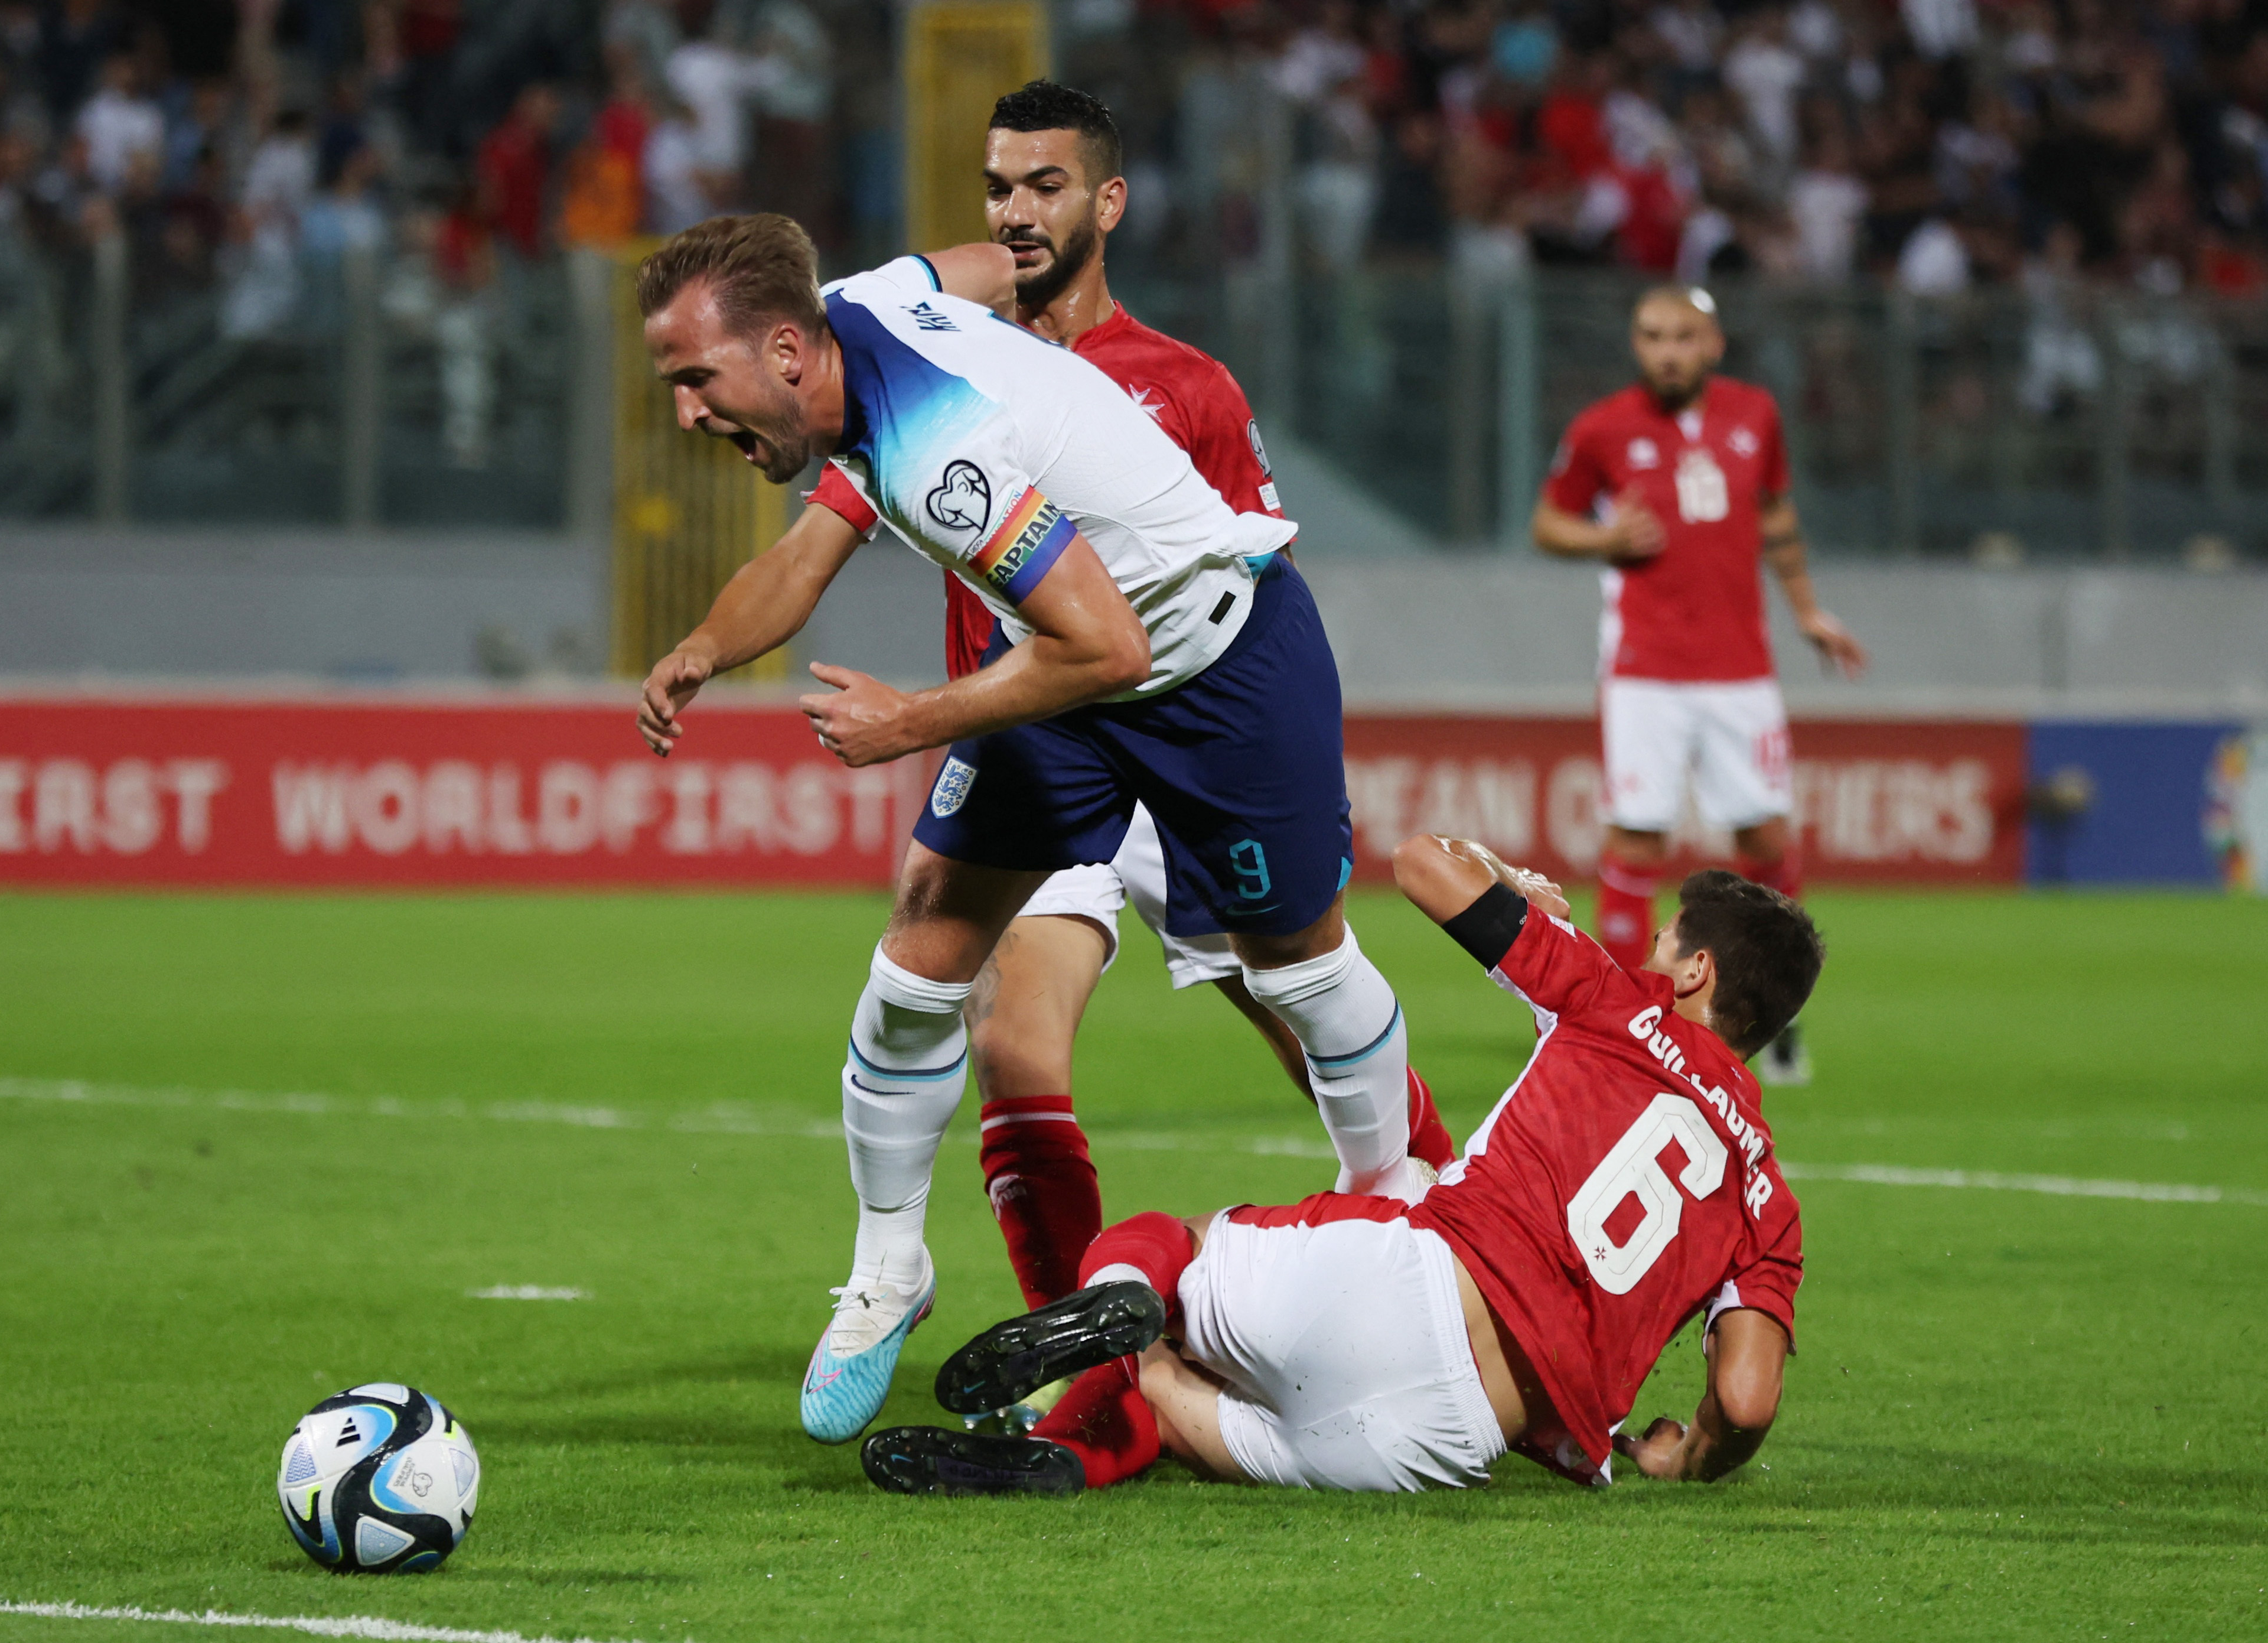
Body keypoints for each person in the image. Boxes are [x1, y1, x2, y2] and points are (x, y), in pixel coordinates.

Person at [633, 212, 1421, 1447]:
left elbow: (1113, 645)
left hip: (1215, 662)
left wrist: (913, 723)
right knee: (921, 951)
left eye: (694, 380)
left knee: (1301, 970)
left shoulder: (945, 452)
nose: (686, 411)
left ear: (787, 352)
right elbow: (981, 272)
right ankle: (891, 1267)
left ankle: (1397, 1212)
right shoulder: (862, 304)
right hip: (1070, 674)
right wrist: (700, 648)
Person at [797, 81, 1454, 1350]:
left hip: (1182, 712)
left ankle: (1436, 1218)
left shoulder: (1187, 384)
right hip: (1041, 726)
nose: (1017, 212)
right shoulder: (937, 360)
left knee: (1294, 988)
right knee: (1012, 1037)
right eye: (998, 188)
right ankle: (1072, 1349)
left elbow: (1242, 571)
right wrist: (715, 645)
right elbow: (826, 523)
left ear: (1108, 202)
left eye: (1044, 186)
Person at [860, 841, 1821, 1498]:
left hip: (1412, 1287)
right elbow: (1745, 1399)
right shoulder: (1768, 1202)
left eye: (1663, 944)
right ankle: (1061, 1460)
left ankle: (1117, 1297)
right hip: (1446, 1441)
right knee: (1159, 1395)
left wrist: (1503, 877)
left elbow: (1420, 865)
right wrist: (1688, 1455)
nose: (1648, 956)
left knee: (1158, 1245)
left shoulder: (1615, 1003)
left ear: (1694, 972)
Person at [1530, 283, 1865, 1085]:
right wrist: (1604, 536)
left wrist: (1808, 611)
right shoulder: (1601, 428)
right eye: (1650, 335)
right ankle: (1615, 1027)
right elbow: (1548, 523)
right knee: (1635, 839)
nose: (1666, 350)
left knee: (1766, 842)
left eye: (1682, 335)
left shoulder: (1754, 416)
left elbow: (1777, 517)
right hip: (1645, 669)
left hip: (1741, 670)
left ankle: (1772, 1016)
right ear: (1636, 345)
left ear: (1712, 343)